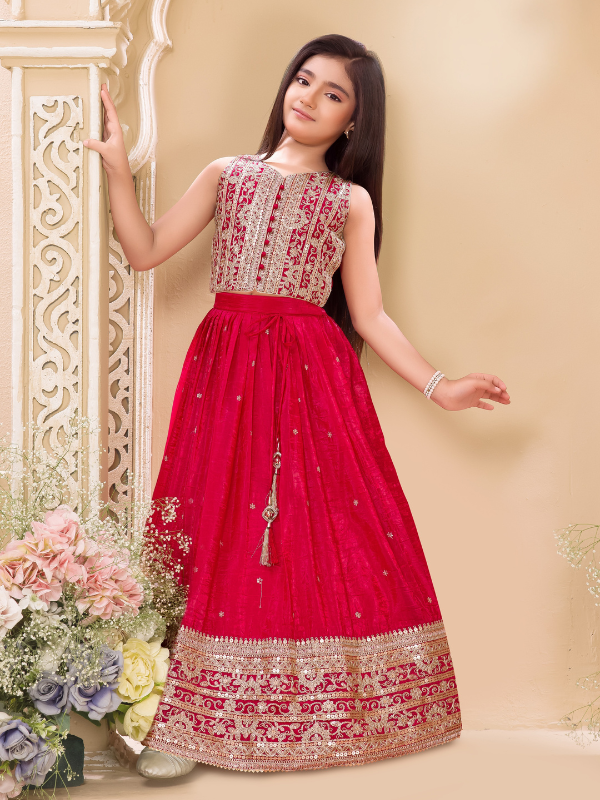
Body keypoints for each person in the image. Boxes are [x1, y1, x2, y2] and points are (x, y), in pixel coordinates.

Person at [84, 34, 510, 778]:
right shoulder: (229, 173)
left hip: (311, 374)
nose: (307, 97)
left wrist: (441, 388)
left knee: (303, 532)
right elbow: (146, 250)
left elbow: (370, 316)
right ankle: (182, 722)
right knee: (211, 515)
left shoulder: (348, 201)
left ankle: (296, 711)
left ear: (353, 122)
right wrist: (120, 170)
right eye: (303, 80)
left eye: (332, 93)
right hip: (227, 362)